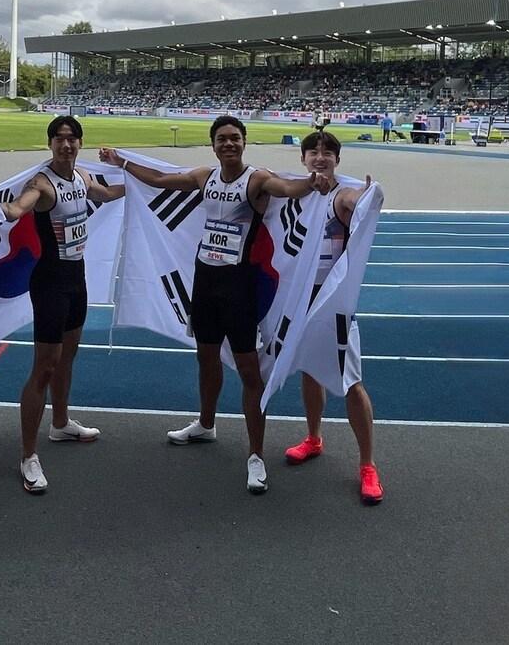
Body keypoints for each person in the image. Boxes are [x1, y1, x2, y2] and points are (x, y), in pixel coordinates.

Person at [101, 116, 327, 494]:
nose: (229, 144)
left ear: (244, 143)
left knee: (248, 370)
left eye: (235, 138)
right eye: (222, 139)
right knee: (205, 357)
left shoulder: (256, 180)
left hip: (239, 288)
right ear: (213, 145)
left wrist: (311, 183)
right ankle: (206, 424)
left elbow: (287, 188)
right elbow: (158, 180)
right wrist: (121, 162)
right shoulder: (205, 177)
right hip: (205, 282)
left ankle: (255, 455)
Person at [0, 115, 124, 495]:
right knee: (44, 367)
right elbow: (18, 209)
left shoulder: (81, 179)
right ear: (50, 144)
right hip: (50, 285)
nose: (66, 145)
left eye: (72, 139)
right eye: (59, 139)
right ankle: (28, 455)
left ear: (80, 143)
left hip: (77, 281)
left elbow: (105, 195)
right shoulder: (42, 184)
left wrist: (138, 184)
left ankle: (60, 424)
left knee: (68, 357)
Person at [279, 128, 383, 505]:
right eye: (313, 151)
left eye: (327, 152)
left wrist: (366, 197)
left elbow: (353, 202)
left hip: (333, 305)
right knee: (310, 372)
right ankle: (313, 437)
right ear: (302, 158)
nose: (319, 157)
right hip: (301, 302)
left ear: (337, 160)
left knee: (351, 383)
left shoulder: (340, 195)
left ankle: (368, 465)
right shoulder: (295, 193)